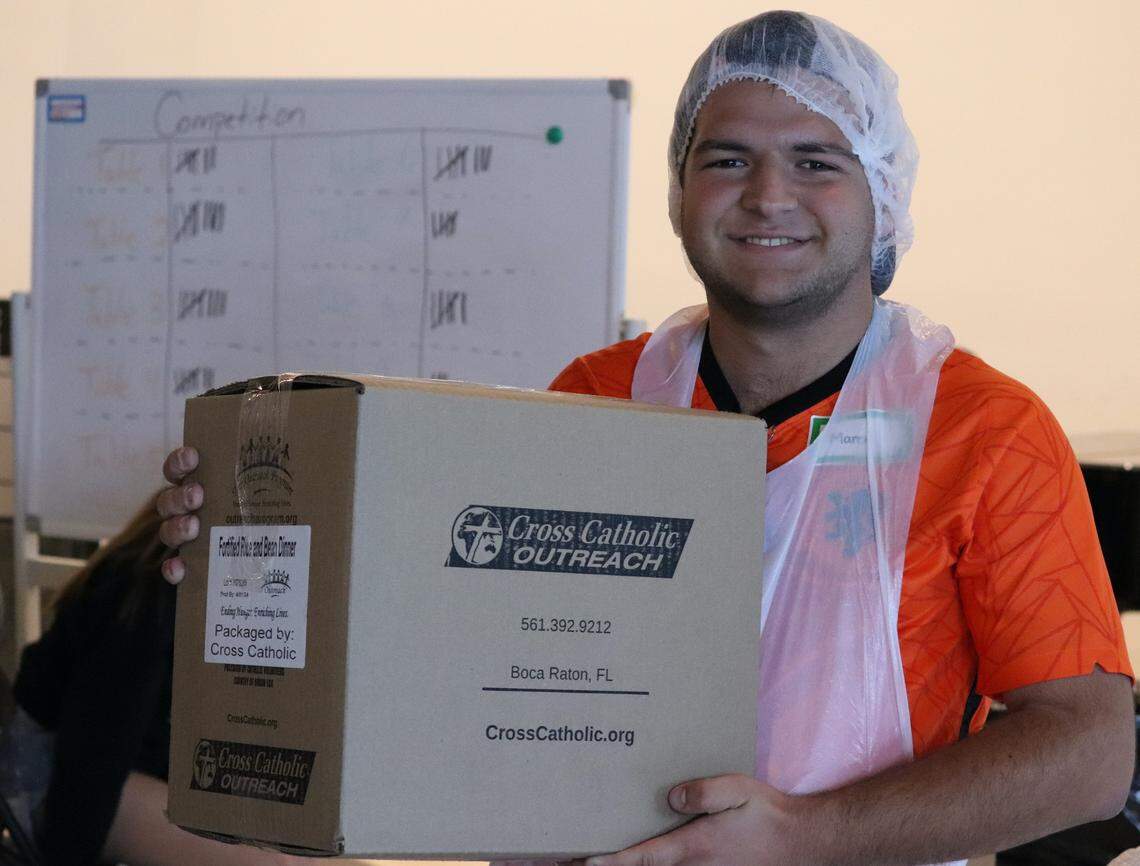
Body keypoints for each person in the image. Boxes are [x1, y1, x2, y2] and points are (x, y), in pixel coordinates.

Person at [157, 11, 1135, 866]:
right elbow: (438, 624)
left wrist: (803, 834)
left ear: (883, 195)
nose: (767, 194)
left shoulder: (982, 432)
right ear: (678, 192)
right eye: (726, 158)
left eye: (816, 160)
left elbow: (1091, 754)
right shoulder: (595, 397)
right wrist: (256, 548)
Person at [10, 494, 367, 866]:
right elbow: (89, 776)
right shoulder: (145, 589)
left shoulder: (195, 575)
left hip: (119, 770)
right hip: (60, 782)